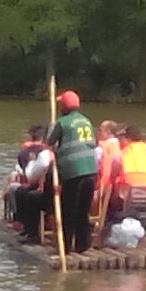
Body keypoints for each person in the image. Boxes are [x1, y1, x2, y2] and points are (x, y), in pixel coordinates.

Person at [50, 89, 99, 253]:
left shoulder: (62, 122)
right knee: (83, 211)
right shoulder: (86, 121)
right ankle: (83, 245)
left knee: (69, 210)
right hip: (90, 171)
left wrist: (52, 125)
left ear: (63, 106)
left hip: (73, 172)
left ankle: (65, 247)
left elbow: (48, 142)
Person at [7, 125, 55, 244]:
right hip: (49, 188)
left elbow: (30, 174)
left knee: (30, 196)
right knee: (22, 192)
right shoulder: (48, 153)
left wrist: (33, 161)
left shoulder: (45, 154)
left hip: (54, 195)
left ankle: (32, 232)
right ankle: (27, 228)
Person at [117, 126, 146, 237]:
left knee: (120, 190)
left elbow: (119, 172)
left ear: (129, 139)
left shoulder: (125, 151)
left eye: (123, 138)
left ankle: (125, 229)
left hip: (132, 192)